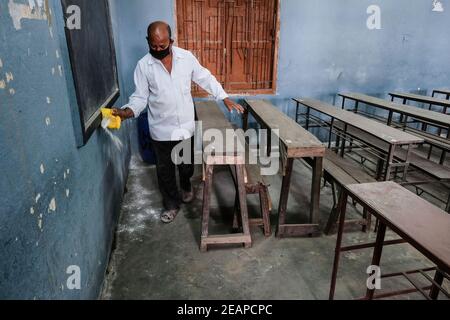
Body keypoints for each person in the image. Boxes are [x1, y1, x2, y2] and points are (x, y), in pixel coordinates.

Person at [112, 21, 244, 224]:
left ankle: (186, 185)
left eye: (162, 46)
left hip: (185, 127)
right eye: (153, 46)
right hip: (161, 128)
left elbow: (205, 78)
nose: (157, 50)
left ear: (171, 41)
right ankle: (171, 204)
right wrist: (127, 112)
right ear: (148, 41)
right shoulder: (143, 66)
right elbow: (140, 97)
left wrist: (223, 96)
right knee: (164, 171)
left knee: (186, 165)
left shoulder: (186, 58)